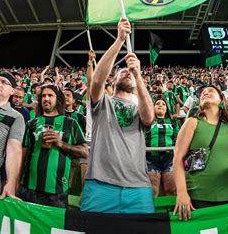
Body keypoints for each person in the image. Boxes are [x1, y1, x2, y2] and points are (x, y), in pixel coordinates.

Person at [81, 17, 155, 214]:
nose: (126, 73)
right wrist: (120, 40)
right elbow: (96, 80)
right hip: (100, 184)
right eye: (121, 72)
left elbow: (149, 118)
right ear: (113, 81)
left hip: (138, 187)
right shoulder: (103, 101)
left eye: (127, 72)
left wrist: (138, 75)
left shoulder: (139, 105)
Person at [173, 85, 228, 220]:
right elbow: (178, 158)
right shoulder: (192, 122)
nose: (205, 93)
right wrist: (181, 192)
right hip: (199, 196)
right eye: (202, 93)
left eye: (211, 91)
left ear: (221, 99)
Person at [20, 84, 88, 207]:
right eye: (43, 96)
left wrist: (61, 143)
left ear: (58, 99)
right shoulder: (32, 123)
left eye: (50, 95)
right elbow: (22, 155)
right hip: (29, 188)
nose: (46, 98)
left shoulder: (70, 123)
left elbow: (84, 152)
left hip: (58, 191)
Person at [145, 95, 178, 197]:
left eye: (163, 104)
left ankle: (172, 213)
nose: (160, 105)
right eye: (157, 103)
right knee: (153, 192)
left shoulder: (173, 122)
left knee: (172, 191)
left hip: (170, 159)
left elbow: (178, 139)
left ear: (167, 109)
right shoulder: (147, 122)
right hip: (150, 159)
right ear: (152, 107)